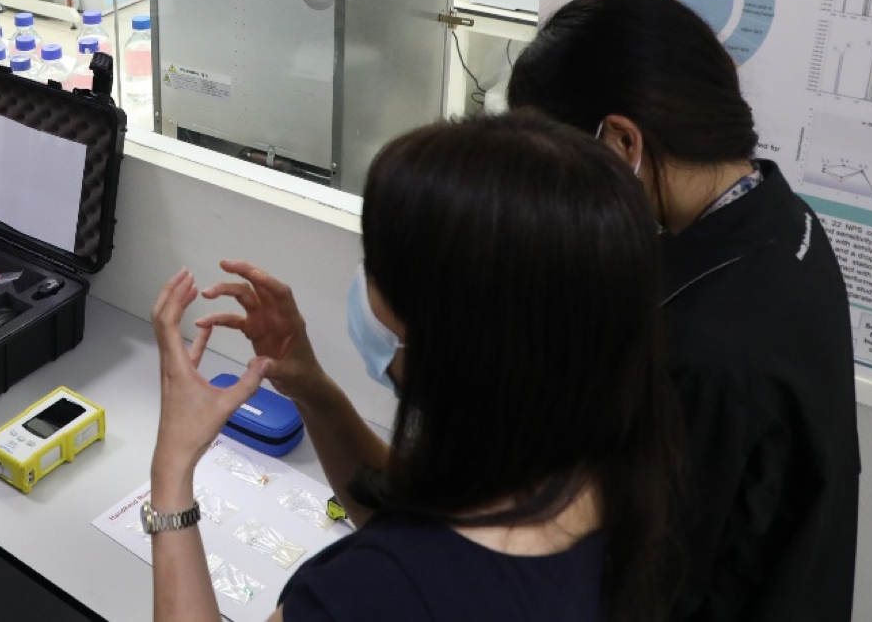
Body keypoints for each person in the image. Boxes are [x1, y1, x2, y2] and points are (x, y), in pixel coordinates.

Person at [148, 113, 678, 622]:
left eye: (375, 264)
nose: (362, 279)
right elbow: (422, 531)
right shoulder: (614, 479)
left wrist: (171, 471)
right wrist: (311, 387)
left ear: (443, 334)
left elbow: (414, 570)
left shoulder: (366, 595)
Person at [506, 0, 860, 622]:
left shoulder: (707, 352)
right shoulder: (780, 216)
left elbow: (653, 587)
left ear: (620, 141)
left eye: (560, 166)